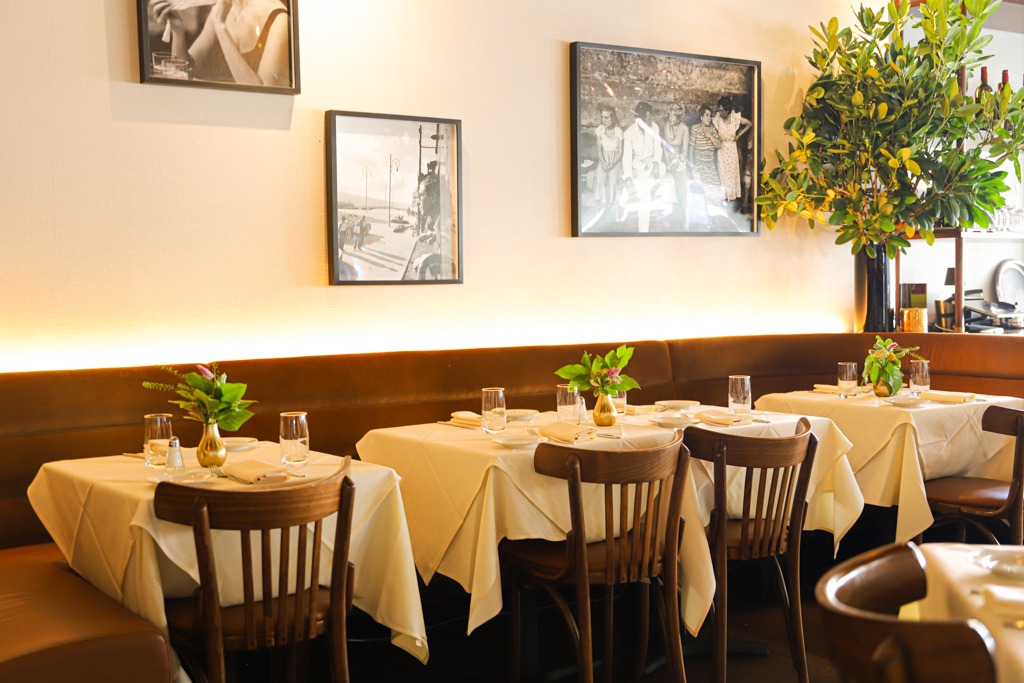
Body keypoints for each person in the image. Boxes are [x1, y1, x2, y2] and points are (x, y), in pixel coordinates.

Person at [148, 0, 291, 87]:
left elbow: (264, 96)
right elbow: (188, 70)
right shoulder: (222, 9)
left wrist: (221, 28)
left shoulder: (280, 20)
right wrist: (178, 32)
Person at [621, 101, 666, 233]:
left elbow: (658, 149)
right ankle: (643, 231)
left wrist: (657, 163)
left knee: (661, 170)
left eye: (650, 117)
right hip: (638, 168)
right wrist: (628, 177)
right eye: (648, 117)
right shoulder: (629, 133)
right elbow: (627, 157)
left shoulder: (654, 127)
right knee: (644, 194)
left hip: (652, 164)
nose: (650, 119)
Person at [713, 97, 753, 203]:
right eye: (719, 109)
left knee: (731, 174)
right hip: (722, 150)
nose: (719, 112)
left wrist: (738, 135)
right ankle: (724, 198)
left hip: (731, 149)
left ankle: (731, 198)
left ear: (727, 110)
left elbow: (749, 124)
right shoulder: (717, 119)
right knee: (723, 173)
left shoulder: (735, 118)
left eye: (721, 110)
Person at [662, 103, 690, 228]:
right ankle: (670, 218)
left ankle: (683, 220)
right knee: (668, 188)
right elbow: (664, 144)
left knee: (681, 190)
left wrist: (676, 162)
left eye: (672, 116)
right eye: (669, 115)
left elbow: (684, 151)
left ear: (678, 117)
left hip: (679, 161)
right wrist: (668, 161)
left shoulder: (684, 129)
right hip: (668, 160)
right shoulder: (667, 126)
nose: (670, 118)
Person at [690, 104, 724, 202]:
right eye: (707, 115)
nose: (709, 118)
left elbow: (720, 145)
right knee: (703, 193)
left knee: (716, 193)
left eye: (710, 116)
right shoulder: (695, 129)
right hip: (699, 165)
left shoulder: (712, 129)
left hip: (710, 166)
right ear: (701, 117)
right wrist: (693, 168)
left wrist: (710, 136)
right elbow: (691, 150)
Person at [593, 106, 623, 209]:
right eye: (602, 117)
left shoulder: (618, 131)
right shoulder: (599, 130)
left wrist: (613, 163)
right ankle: (601, 207)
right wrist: (603, 162)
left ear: (613, 118)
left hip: (615, 159)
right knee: (600, 179)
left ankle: (612, 206)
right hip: (604, 158)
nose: (603, 120)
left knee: (613, 179)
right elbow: (599, 149)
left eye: (607, 118)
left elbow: (620, 151)